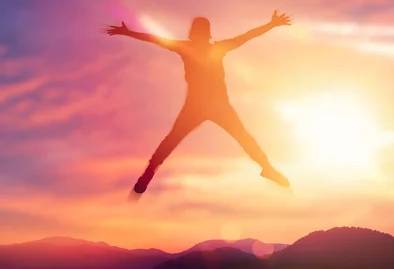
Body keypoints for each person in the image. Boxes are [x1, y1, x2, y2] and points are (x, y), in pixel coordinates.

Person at [106, 10, 292, 195]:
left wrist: (271, 24)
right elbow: (155, 39)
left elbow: (246, 37)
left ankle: (267, 168)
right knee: (180, 141)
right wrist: (271, 24)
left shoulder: (201, 47)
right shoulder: (210, 48)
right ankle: (147, 175)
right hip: (203, 106)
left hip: (211, 106)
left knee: (240, 137)